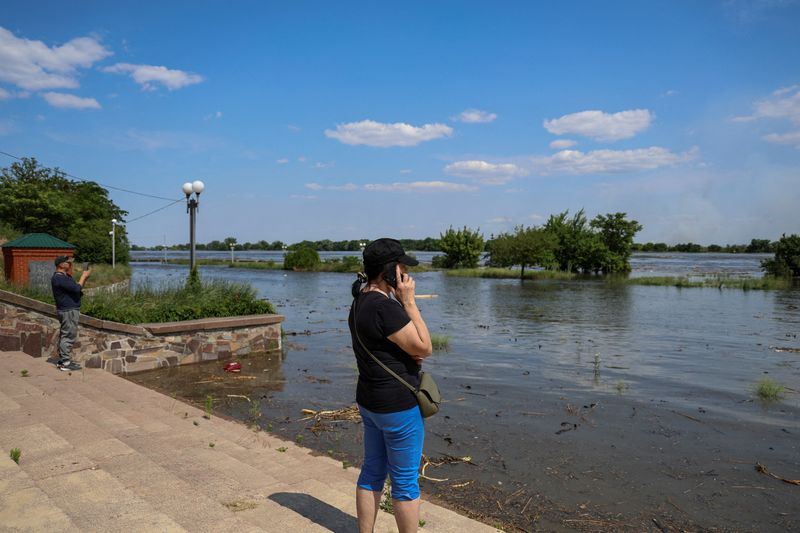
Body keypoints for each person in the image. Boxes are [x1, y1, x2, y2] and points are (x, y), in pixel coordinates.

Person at [349, 238, 433, 533]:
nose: (407, 274)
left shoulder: (359, 301)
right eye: (402, 267)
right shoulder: (388, 308)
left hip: (370, 402)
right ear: (390, 271)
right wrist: (408, 301)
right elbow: (424, 347)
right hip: (398, 406)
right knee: (405, 481)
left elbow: (387, 346)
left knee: (372, 471)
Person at [51, 256, 90, 371]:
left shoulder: (65, 277)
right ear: (60, 265)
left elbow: (77, 288)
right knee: (68, 335)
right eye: (67, 262)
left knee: (66, 334)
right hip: (67, 310)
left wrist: (85, 278)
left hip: (69, 309)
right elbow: (76, 289)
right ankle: (65, 363)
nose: (70, 264)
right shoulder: (59, 278)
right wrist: (83, 276)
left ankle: (64, 360)